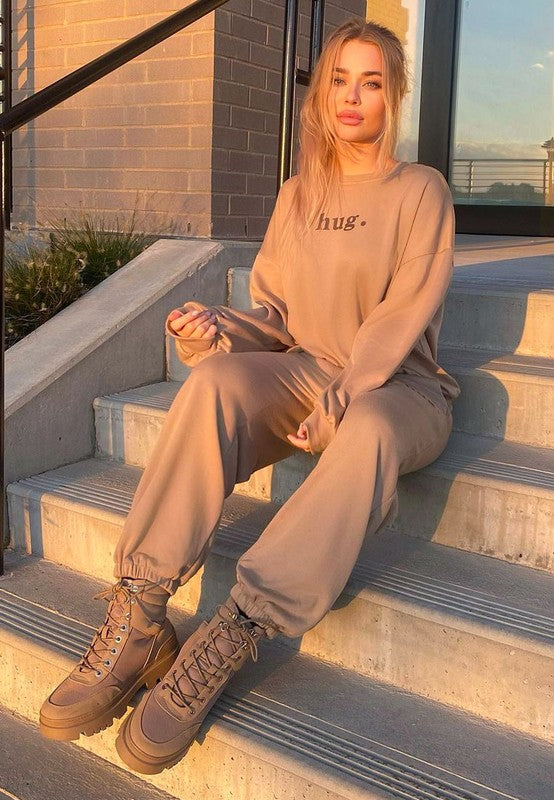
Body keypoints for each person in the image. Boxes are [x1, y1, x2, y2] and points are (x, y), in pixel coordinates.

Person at [39, 16, 460, 775]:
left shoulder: (419, 190)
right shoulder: (298, 195)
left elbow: (402, 315)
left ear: (393, 96)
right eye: (339, 80)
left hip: (399, 389)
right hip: (307, 368)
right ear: (321, 94)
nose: (352, 97)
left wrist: (347, 393)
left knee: (367, 429)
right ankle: (141, 613)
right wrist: (216, 329)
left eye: (370, 83)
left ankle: (236, 627)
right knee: (215, 382)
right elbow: (275, 318)